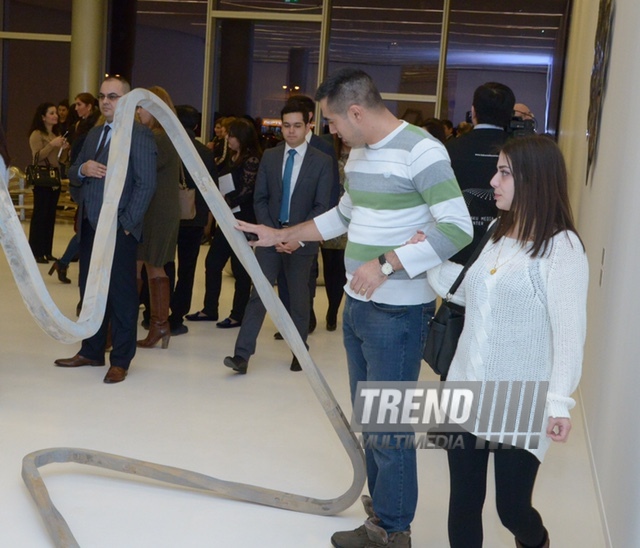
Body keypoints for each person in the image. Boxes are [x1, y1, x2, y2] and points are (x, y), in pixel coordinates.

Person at [232, 68, 473, 547]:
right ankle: (383, 508)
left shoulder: (422, 150)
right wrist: (284, 234)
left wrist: (386, 263)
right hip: (359, 309)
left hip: (397, 314)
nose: (332, 132)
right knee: (372, 421)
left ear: (357, 112)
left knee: (389, 427)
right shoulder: (360, 153)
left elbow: (457, 227)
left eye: (334, 122)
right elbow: (345, 213)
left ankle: (392, 530)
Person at [426, 134, 588, 548]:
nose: (492, 181)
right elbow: (469, 293)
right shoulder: (500, 230)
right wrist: (426, 257)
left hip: (521, 400)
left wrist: (558, 405)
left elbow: (570, 338)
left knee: (511, 509)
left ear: (533, 180)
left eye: (503, 172)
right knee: (463, 501)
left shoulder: (562, 248)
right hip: (464, 388)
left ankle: (536, 541)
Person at [54, 75, 157, 384]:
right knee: (90, 291)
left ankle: (121, 359)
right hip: (89, 227)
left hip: (119, 231)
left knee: (123, 297)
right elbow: (74, 172)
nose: (106, 101)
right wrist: (82, 171)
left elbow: (146, 184)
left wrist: (127, 225)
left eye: (113, 96)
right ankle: (92, 349)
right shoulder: (95, 133)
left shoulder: (139, 135)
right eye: (102, 96)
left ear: (128, 101)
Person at [223, 100, 333, 375]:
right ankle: (241, 355)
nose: (291, 131)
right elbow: (260, 199)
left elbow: (322, 207)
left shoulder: (322, 162)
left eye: (297, 125)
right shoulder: (270, 157)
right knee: (258, 294)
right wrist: (271, 233)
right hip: (270, 237)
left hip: (301, 242)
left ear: (309, 124)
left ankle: (299, 350)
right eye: (286, 125)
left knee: (298, 299)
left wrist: (298, 237)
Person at [186, 117, 260, 328]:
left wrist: (225, 200)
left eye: (233, 136)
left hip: (243, 219)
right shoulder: (230, 157)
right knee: (212, 263)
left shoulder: (252, 159)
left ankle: (238, 314)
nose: (229, 139)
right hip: (227, 218)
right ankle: (210, 308)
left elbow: (247, 191)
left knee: (240, 269)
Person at [446, 82, 515, 264]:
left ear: (473, 111)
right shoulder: (520, 152)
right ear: (510, 115)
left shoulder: (449, 149)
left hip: (456, 250)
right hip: (505, 252)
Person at [135, 86, 181, 350]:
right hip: (152, 208)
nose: (138, 112)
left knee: (152, 264)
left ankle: (159, 324)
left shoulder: (159, 137)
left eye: (141, 107)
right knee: (144, 263)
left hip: (158, 209)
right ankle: (156, 325)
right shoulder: (162, 135)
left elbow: (143, 170)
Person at [167, 105, 218, 336]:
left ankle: (156, 312)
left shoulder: (167, 147)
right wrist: (207, 219)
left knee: (163, 264)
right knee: (187, 269)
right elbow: (211, 189)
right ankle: (177, 317)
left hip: (166, 217)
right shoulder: (205, 153)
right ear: (196, 126)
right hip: (194, 216)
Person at [49, 92, 101, 285]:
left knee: (86, 226)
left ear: (89, 107)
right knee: (86, 226)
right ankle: (64, 263)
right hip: (81, 179)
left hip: (85, 179)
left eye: (80, 104)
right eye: (76, 104)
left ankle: (63, 263)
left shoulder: (90, 126)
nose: (76, 108)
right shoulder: (80, 127)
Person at [27, 102, 69, 264]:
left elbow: (61, 160)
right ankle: (36, 251)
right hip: (42, 178)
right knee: (40, 215)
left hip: (54, 178)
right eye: (51, 113)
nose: (55, 116)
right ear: (43, 117)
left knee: (50, 215)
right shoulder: (37, 134)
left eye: (55, 113)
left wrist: (64, 148)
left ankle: (47, 250)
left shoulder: (56, 134)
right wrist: (52, 145)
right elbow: (37, 157)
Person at [319, 134, 349, 331]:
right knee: (329, 268)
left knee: (342, 268)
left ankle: (333, 310)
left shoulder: (361, 157)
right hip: (330, 215)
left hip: (350, 219)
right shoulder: (329, 155)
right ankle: (331, 305)